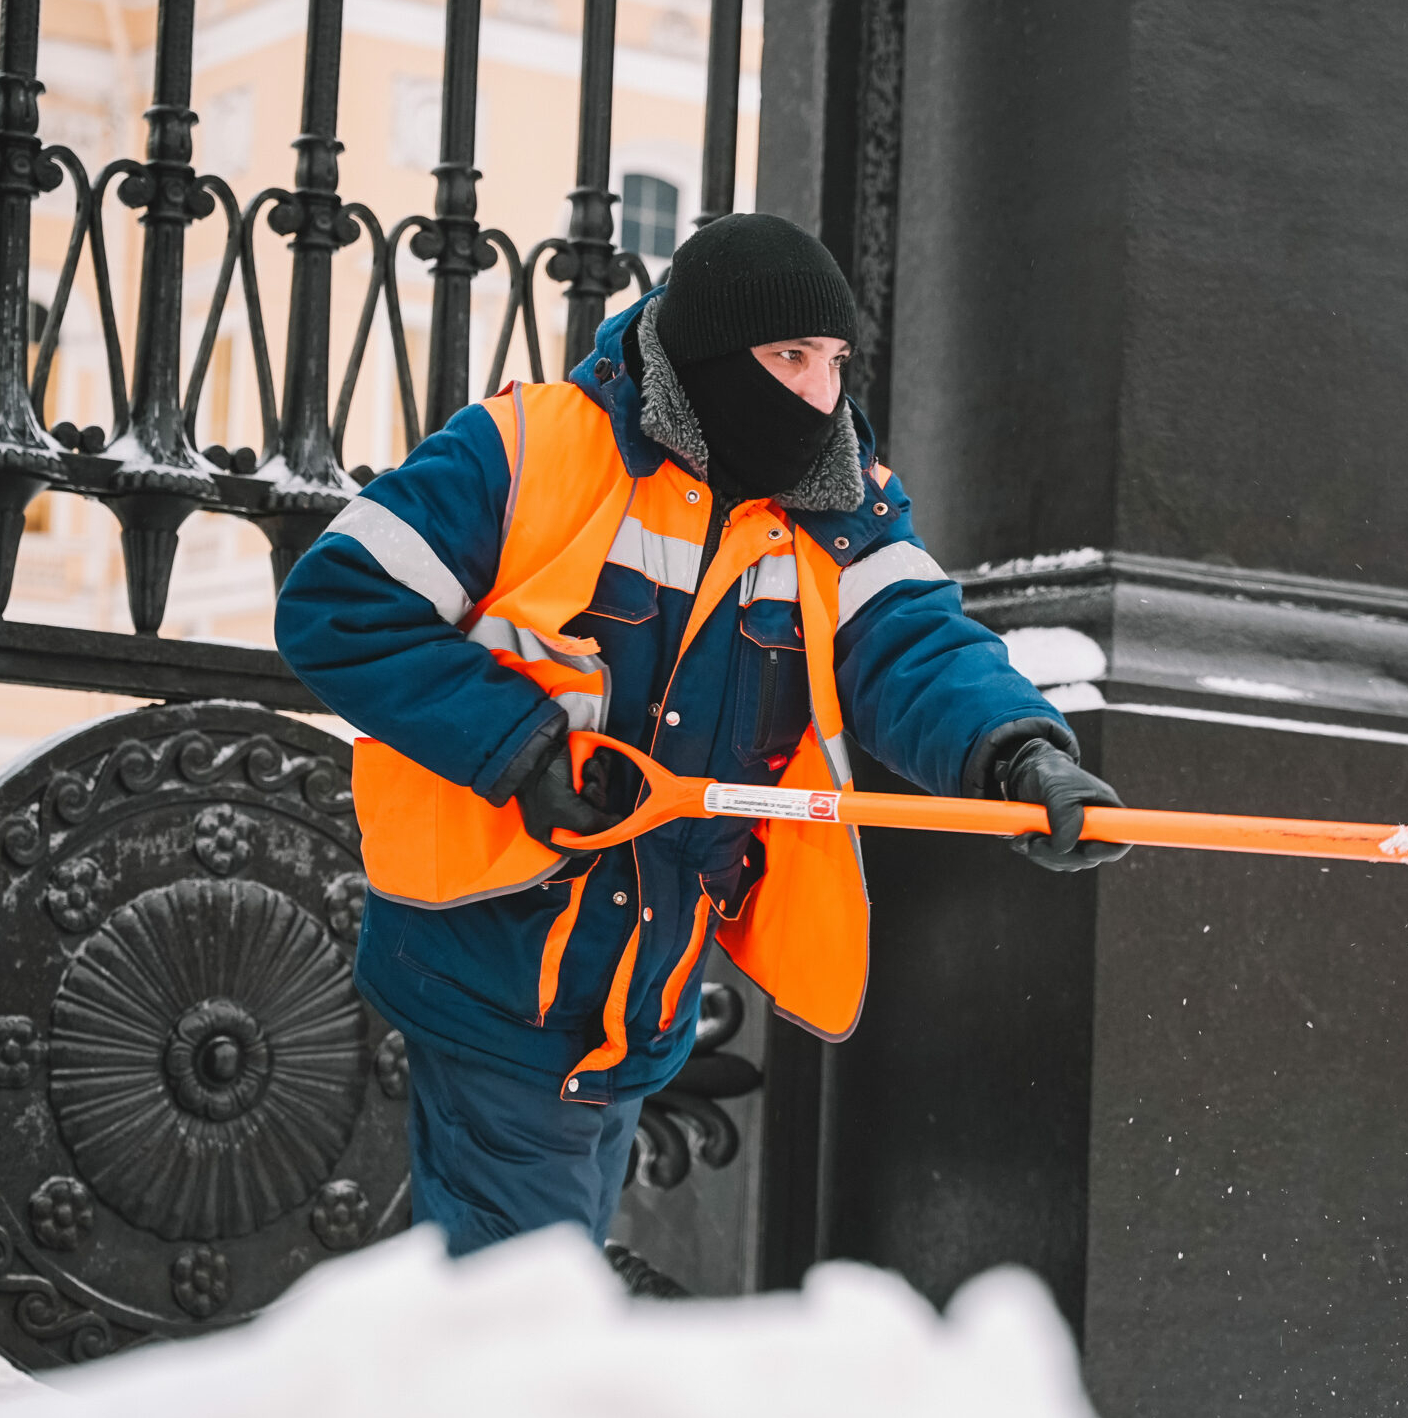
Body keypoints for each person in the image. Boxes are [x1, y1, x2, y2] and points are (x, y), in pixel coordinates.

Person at [275, 213, 1128, 1273]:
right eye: (789, 358)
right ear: (715, 357)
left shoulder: (834, 505)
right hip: (498, 963)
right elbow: (338, 604)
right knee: (522, 1314)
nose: (820, 394)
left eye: (833, 362)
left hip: (644, 984)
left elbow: (911, 644)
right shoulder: (531, 449)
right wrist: (521, 750)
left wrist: (1014, 753)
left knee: (523, 1306)